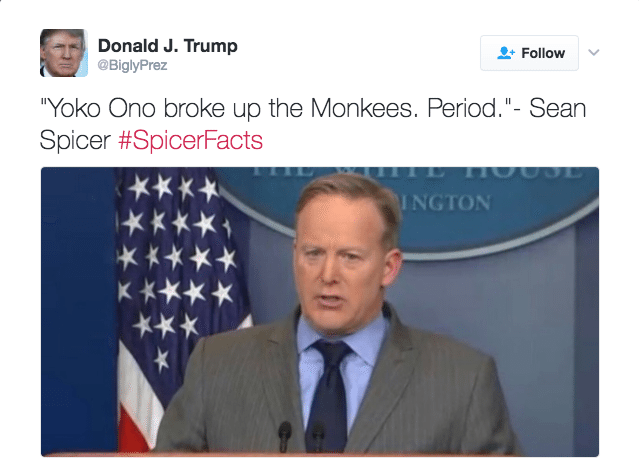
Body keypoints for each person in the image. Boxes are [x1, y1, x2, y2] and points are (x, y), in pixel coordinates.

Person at [155, 173, 521, 454]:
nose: (327, 274)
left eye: (350, 257)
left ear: (389, 268)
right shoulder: (216, 366)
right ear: (295, 255)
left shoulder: (463, 381)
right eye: (313, 253)